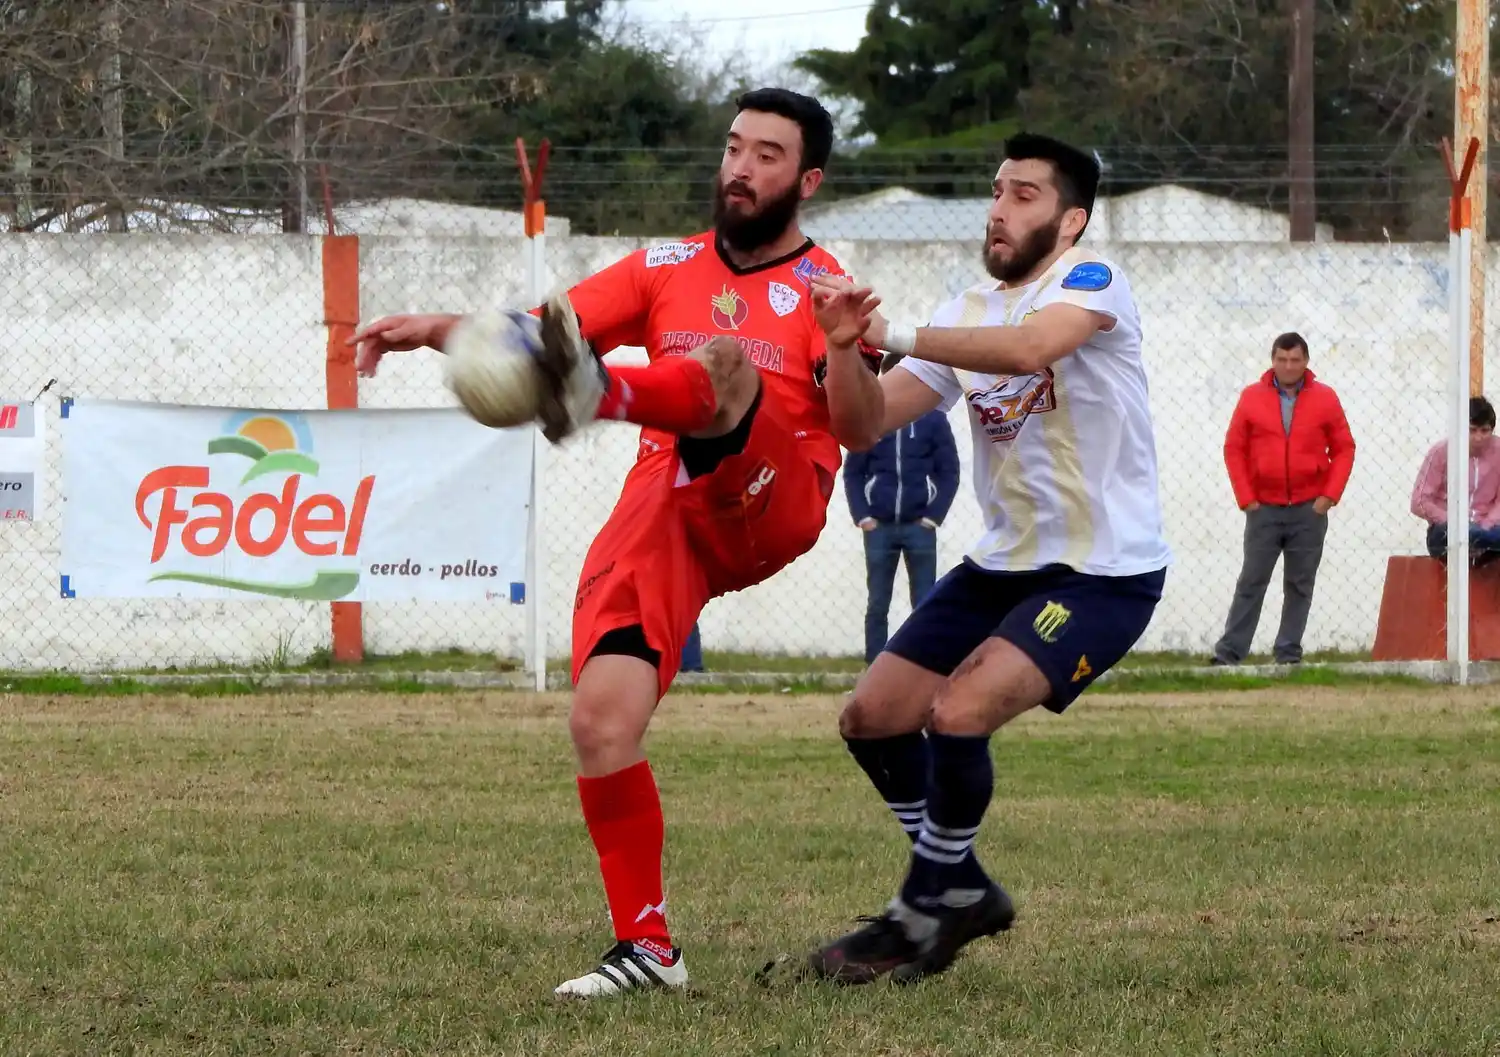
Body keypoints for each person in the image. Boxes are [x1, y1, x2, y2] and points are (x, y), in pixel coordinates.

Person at [347, 88, 881, 999]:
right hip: (665, 507)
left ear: (808, 179)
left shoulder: (827, 289)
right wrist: (437, 329)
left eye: (767, 156)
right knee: (600, 721)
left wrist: (844, 347)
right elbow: (545, 335)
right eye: (733, 148)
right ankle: (649, 950)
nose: (740, 169)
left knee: (724, 364)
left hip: (772, 494)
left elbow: (862, 427)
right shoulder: (663, 264)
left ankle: (609, 397)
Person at [796, 132, 1173, 985]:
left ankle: (920, 909)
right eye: (997, 191)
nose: (1000, 208)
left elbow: (1032, 350)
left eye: (1026, 194)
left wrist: (893, 327)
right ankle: (960, 885)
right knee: (872, 715)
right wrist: (847, 346)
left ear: (1071, 220)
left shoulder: (1092, 281)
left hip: (1103, 570)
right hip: (1004, 561)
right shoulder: (963, 308)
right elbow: (860, 425)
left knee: (959, 712)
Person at [1211, 332, 1355, 666]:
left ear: (1306, 362)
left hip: (1309, 510)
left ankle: (1288, 653)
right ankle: (1229, 653)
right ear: (1272, 360)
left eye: (1295, 360)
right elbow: (1234, 448)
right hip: (1263, 509)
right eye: (1281, 359)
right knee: (1251, 581)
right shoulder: (1251, 397)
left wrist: (1328, 496)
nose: (1288, 366)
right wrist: (1246, 498)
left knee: (1300, 584)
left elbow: (1345, 448)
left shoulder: (1326, 398)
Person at [843, 353, 960, 662]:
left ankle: (923, 664)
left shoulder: (933, 420)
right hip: (879, 528)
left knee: (924, 602)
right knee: (877, 603)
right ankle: (874, 666)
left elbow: (948, 472)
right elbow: (854, 470)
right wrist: (863, 516)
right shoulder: (874, 419)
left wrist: (933, 517)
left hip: (919, 527)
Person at [1411, 395, 1500, 563]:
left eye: (1485, 430)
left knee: (1485, 535)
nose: (1478, 437)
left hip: (1488, 529)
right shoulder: (1441, 452)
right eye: (1472, 430)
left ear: (1492, 430)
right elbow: (1419, 501)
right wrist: (1455, 523)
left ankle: (1479, 538)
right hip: (1448, 530)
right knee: (1446, 534)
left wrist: (1485, 526)